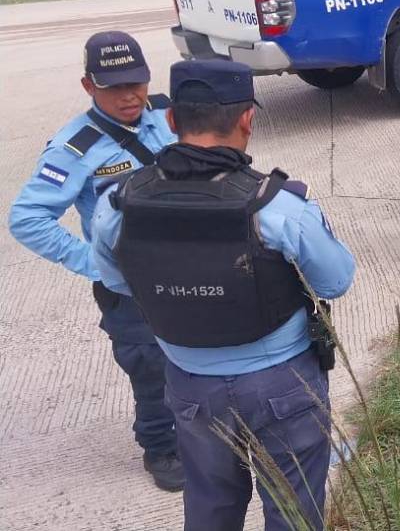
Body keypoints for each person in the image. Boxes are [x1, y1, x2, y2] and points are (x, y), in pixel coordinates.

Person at [90, 60, 356, 531]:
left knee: (210, 508)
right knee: (294, 512)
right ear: (247, 120)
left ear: (171, 121)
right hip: (283, 386)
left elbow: (115, 279)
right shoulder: (276, 206)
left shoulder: (118, 205)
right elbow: (335, 281)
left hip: (191, 386)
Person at [8, 31, 183, 492]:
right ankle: (160, 446)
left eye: (136, 82)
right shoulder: (75, 147)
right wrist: (94, 262)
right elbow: (27, 218)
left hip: (188, 265)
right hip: (128, 287)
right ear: (88, 86)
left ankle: (204, 429)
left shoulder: (167, 115)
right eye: (113, 87)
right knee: (149, 364)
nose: (130, 96)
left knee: (201, 350)